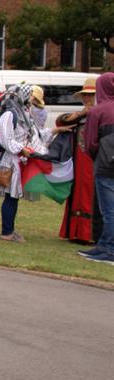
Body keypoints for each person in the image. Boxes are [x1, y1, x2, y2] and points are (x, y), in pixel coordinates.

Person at [0, 85, 69, 244]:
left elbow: (36, 135)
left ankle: (9, 230)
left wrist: (57, 130)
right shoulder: (9, 115)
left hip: (20, 161)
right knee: (11, 197)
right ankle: (7, 232)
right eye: (29, 96)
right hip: (11, 162)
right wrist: (21, 149)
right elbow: (5, 139)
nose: (31, 100)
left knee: (14, 197)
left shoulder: (23, 114)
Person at [59, 76, 100, 245]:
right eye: (85, 95)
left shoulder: (102, 114)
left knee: (91, 195)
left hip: (94, 161)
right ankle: (76, 232)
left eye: (90, 95)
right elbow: (61, 120)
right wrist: (82, 113)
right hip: (78, 161)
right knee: (78, 193)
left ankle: (88, 234)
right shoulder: (80, 115)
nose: (87, 98)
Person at [81, 72, 114, 264]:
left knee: (108, 210)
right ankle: (103, 244)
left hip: (105, 165)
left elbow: (90, 143)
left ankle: (108, 248)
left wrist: (96, 157)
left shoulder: (97, 111)